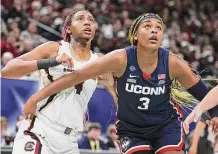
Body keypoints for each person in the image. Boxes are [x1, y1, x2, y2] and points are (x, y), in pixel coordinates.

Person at [23, 13, 213, 154]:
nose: (154, 30)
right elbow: (73, 77)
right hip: (132, 129)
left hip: (165, 124)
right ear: (136, 34)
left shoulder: (173, 62)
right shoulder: (119, 58)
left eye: (159, 28)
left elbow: (203, 94)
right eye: (147, 26)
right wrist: (36, 98)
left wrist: (215, 115)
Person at [1, 9, 116, 154]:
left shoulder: (100, 61)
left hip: (70, 141)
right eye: (80, 19)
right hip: (39, 130)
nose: (87, 22)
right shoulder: (55, 48)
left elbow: (118, 92)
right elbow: (8, 70)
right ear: (68, 28)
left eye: (91, 20)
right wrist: (51, 61)